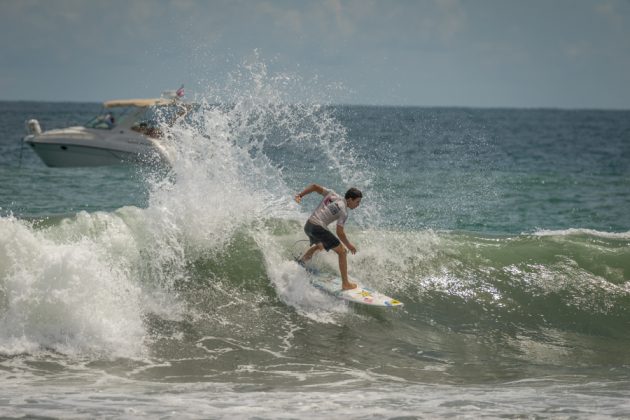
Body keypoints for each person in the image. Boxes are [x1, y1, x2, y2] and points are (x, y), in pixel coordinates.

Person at [294, 184, 363, 290]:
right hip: (318, 228)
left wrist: (300, 195)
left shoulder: (332, 194)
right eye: (357, 202)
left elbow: (314, 186)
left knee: (320, 246)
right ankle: (346, 284)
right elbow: (340, 232)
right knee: (342, 252)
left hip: (308, 226)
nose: (358, 205)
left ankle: (302, 262)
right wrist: (349, 245)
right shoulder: (344, 211)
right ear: (350, 199)